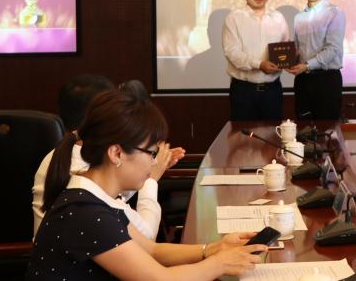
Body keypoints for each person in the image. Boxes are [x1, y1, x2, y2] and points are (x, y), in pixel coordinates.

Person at [27, 89, 264, 280]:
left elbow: (152, 250)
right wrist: (219, 263)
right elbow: (160, 278)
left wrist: (215, 248)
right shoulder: (85, 212)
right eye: (151, 153)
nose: (154, 162)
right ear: (116, 153)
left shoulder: (100, 198)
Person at [32, 75, 184, 239]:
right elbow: (146, 236)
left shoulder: (68, 156)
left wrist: (145, 163)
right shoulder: (85, 184)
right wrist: (150, 179)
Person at [222, 0, 290, 120]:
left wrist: (290, 61)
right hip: (243, 92)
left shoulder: (278, 18)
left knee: (274, 133)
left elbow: (285, 48)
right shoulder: (234, 18)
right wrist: (259, 65)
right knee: (243, 134)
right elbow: (232, 52)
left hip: (273, 91)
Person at [288, 0, 346, 120]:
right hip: (303, 81)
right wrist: (289, 61)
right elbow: (298, 49)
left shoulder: (334, 12)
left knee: (327, 129)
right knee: (303, 129)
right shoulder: (299, 17)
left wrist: (307, 65)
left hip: (327, 80)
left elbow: (333, 48)